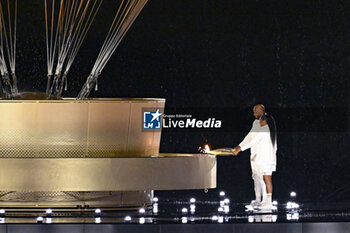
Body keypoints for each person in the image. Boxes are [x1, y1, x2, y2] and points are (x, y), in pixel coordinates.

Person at [233, 105, 277, 210]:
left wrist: (240, 149)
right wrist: (239, 145)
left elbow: (254, 140)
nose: (254, 114)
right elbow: (249, 137)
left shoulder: (267, 126)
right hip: (256, 156)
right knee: (256, 178)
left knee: (265, 179)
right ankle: (258, 201)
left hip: (265, 157)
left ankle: (266, 202)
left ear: (262, 111)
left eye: (256, 112)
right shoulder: (257, 123)